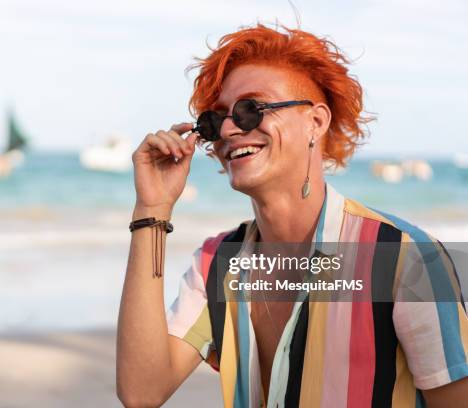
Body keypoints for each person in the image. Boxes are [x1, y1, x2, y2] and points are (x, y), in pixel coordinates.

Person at [116, 24, 468, 407]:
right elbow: (142, 391)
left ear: (315, 123)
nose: (230, 129)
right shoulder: (216, 264)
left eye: (251, 109)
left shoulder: (405, 258)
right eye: (214, 121)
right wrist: (152, 209)